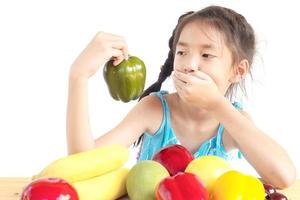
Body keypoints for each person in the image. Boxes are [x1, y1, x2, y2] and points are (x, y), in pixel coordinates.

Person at [66, 5, 296, 188]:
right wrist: (79, 76)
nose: (189, 65)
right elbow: (82, 164)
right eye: (182, 52)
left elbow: (283, 177)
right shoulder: (154, 109)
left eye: (206, 54)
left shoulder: (233, 123)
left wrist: (218, 105)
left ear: (238, 71)